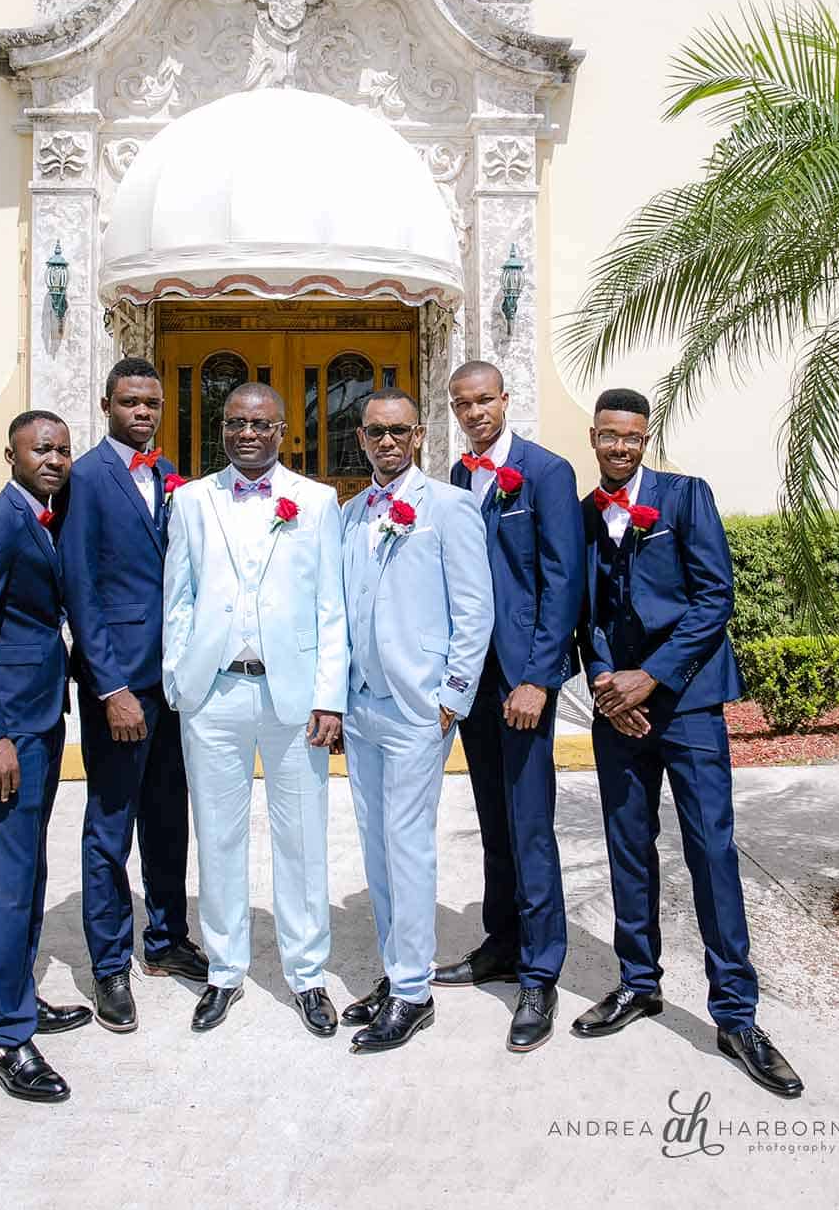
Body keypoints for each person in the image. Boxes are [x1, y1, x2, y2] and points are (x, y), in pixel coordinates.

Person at [574, 387, 803, 1098]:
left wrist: (653, 679)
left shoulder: (684, 496)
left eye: (633, 436)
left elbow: (715, 597)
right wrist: (610, 685)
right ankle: (638, 983)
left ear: (645, 438)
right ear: (593, 435)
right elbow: (587, 612)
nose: (621, 446)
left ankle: (736, 1015)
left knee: (711, 851)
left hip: (690, 704)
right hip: (622, 711)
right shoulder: (584, 514)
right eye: (610, 434)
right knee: (627, 848)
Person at [162, 382, 347, 1037]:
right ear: (221, 426)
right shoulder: (190, 499)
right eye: (236, 421)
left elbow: (332, 605)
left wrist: (331, 694)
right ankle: (223, 969)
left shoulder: (318, 501)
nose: (248, 432)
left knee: (301, 837)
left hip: (292, 695)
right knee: (218, 834)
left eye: (261, 422)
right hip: (212, 692)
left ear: (282, 428)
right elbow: (177, 595)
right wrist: (177, 676)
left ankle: (307, 972)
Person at [433, 361, 584, 1052]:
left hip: (523, 681)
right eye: (463, 403)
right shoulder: (459, 478)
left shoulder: (546, 473)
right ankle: (501, 940)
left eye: (484, 399)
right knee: (492, 815)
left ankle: (540, 968)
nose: (475, 411)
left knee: (529, 822)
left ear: (505, 398)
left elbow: (562, 581)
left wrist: (540, 678)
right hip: (476, 683)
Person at [340, 389, 493, 1052]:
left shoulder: (450, 508)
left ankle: (414, 991)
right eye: (376, 431)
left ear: (421, 433)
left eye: (399, 430)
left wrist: (451, 697)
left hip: (416, 707)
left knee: (407, 844)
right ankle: (396, 970)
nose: (387, 440)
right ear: (361, 436)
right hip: (361, 704)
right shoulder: (349, 514)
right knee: (376, 845)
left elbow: (474, 609)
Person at [60, 357, 206, 1034]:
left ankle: (166, 938)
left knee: (169, 817)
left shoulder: (168, 472)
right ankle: (110, 963)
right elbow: (82, 588)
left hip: (172, 683)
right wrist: (110, 684)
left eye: (151, 400)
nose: (142, 411)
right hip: (119, 686)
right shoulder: (87, 478)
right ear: (106, 403)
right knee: (110, 825)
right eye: (129, 401)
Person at [0, 410, 89, 1103]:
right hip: (9, 729)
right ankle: (3, 1034)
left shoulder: (45, 515)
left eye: (64, 448)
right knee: (8, 874)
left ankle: (17, 1001)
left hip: (40, 716)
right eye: (42, 448)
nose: (55, 458)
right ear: (11, 453)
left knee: (29, 865)